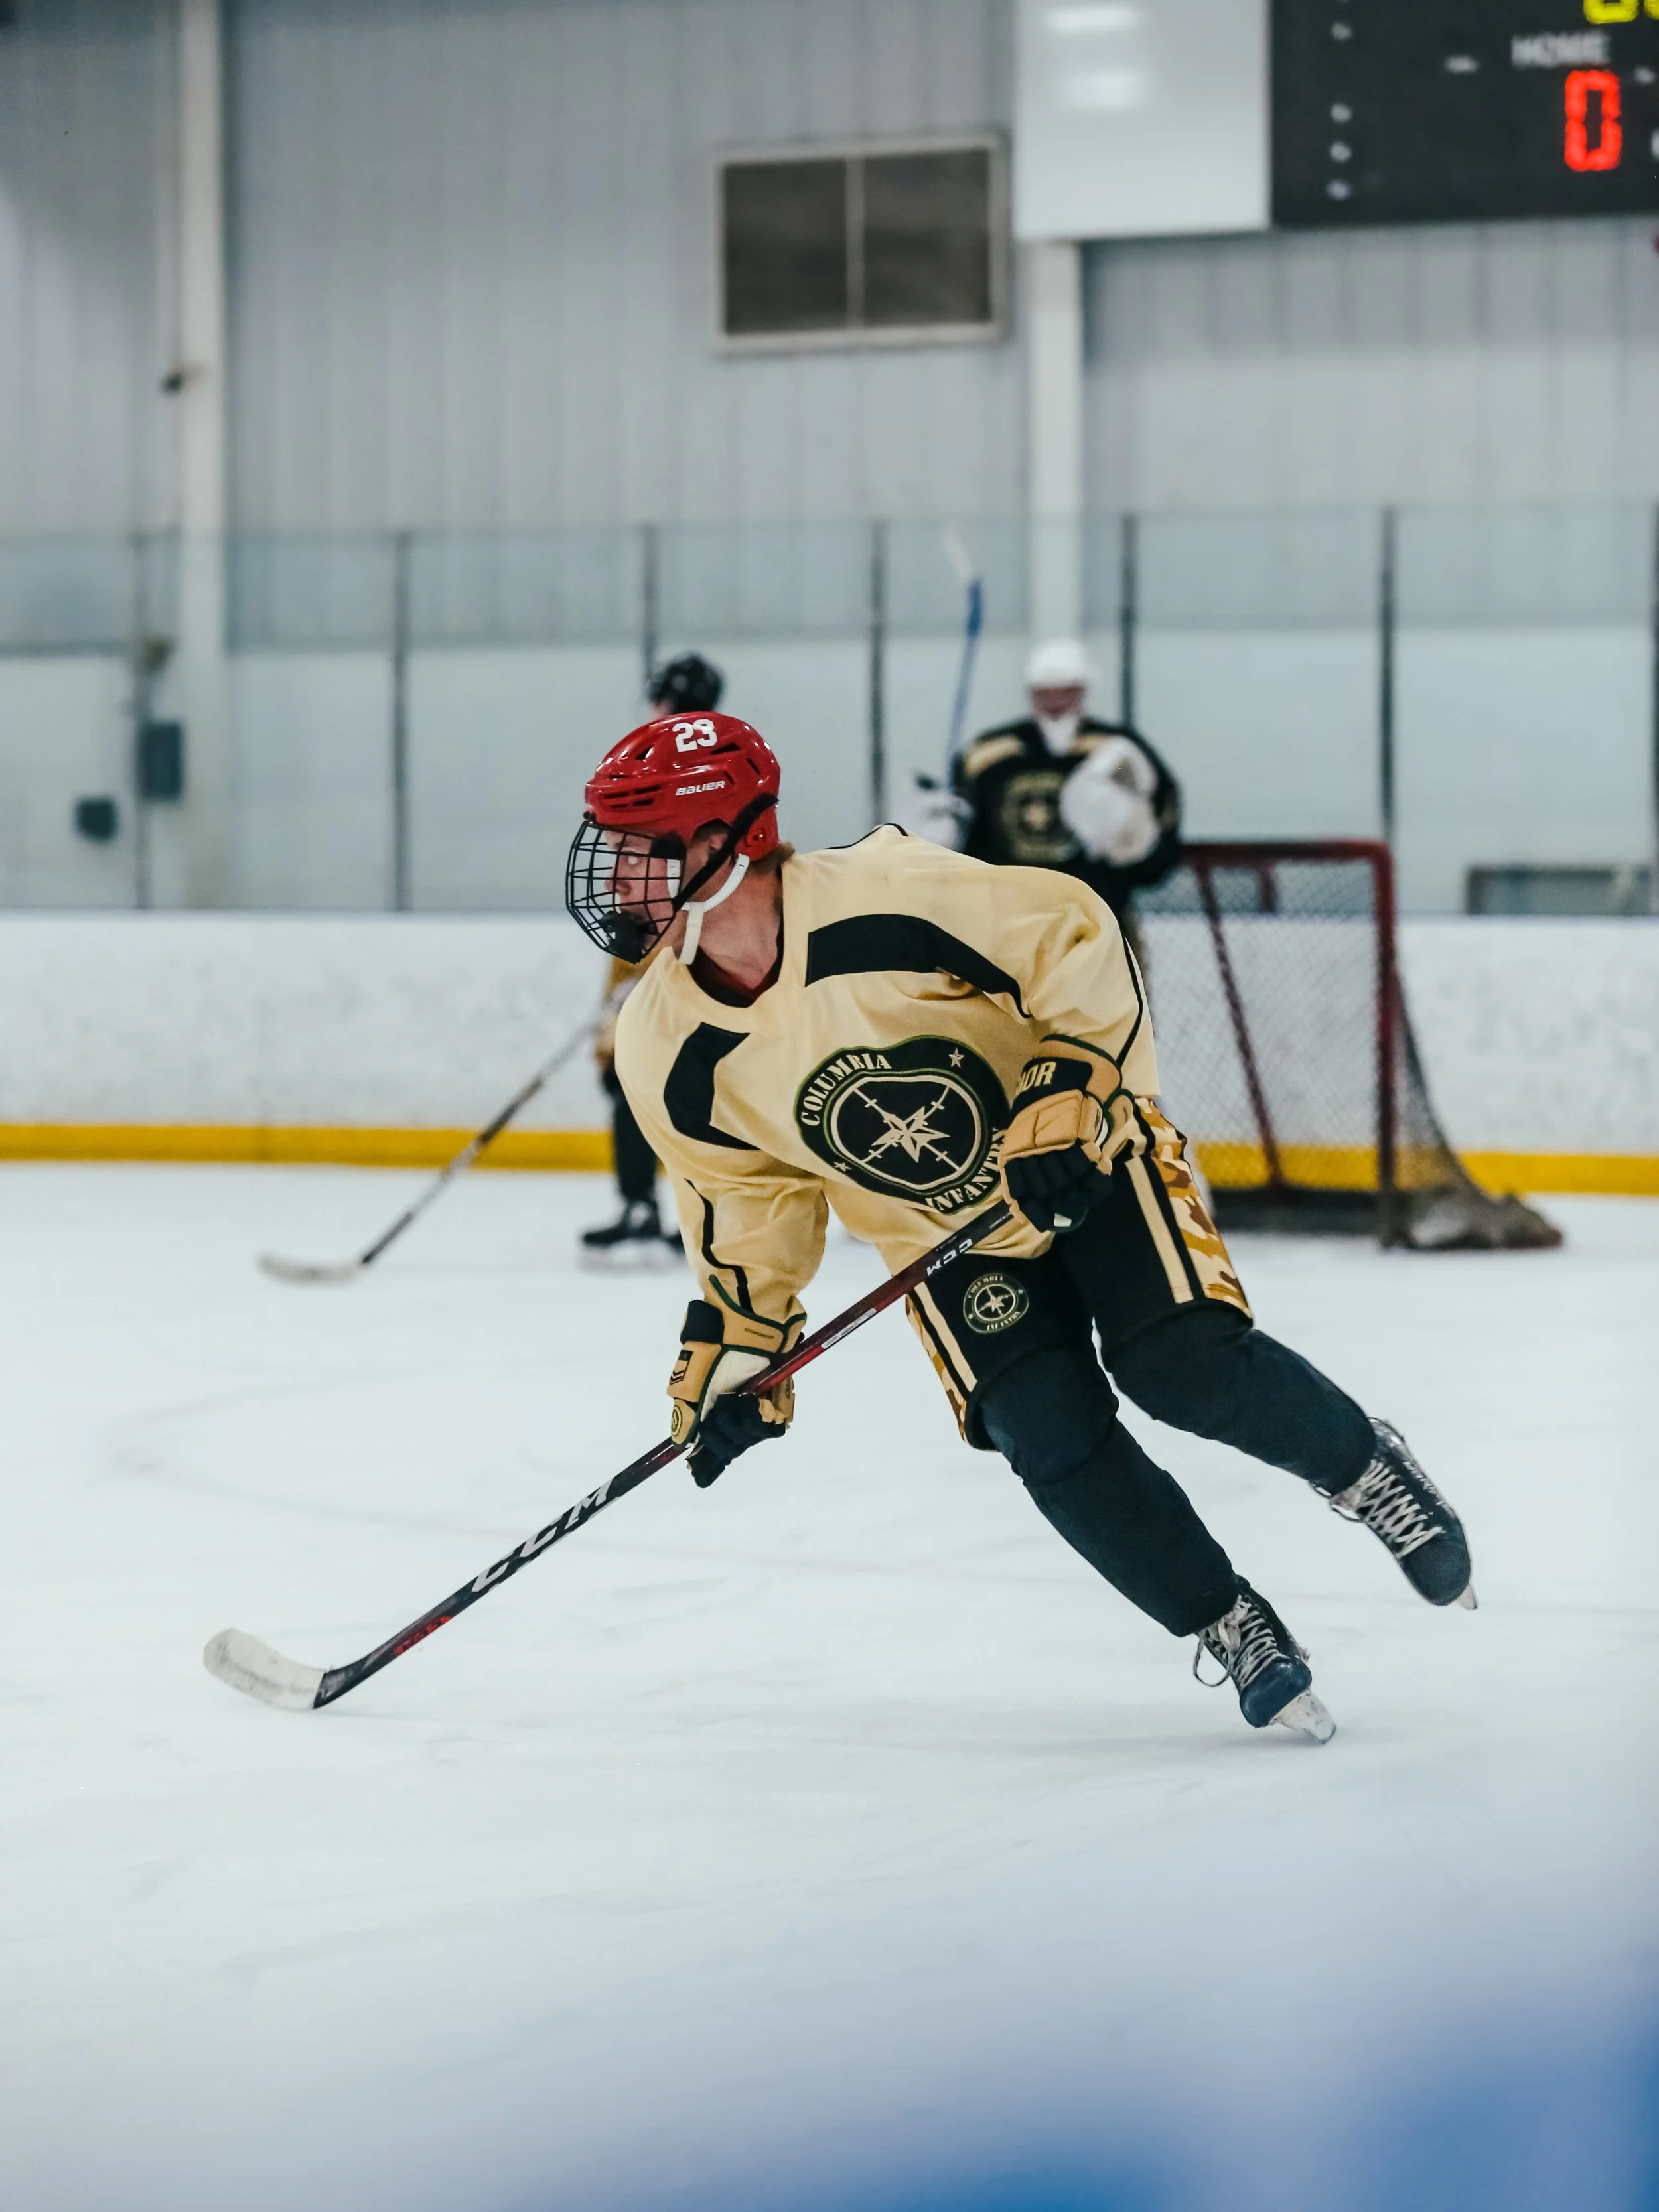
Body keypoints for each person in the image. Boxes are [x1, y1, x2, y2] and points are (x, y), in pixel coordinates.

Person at [564, 711, 1475, 1742]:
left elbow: (1074, 933)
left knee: (1178, 1363)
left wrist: (1068, 1087)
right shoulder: (661, 1044)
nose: (616, 877)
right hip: (942, 1238)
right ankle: (1226, 1618)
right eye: (613, 849)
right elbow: (745, 1201)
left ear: (734, 841)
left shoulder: (884, 891)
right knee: (1044, 1432)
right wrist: (743, 1348)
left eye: (641, 849)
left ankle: (1364, 1467)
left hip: (1087, 1155)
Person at [580, 652, 725, 1263]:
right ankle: (689, 1210)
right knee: (661, 1081)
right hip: (676, 945)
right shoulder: (717, 763)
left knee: (648, 1077)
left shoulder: (676, 769)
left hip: (684, 949)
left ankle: (662, 1207)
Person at [954, 638, 1181, 955]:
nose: (1055, 701)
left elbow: (1161, 807)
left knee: (1110, 986)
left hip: (1099, 915)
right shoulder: (987, 755)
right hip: (1010, 920)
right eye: (1045, 691)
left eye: (1066, 691)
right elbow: (962, 822)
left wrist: (1144, 856)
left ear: (1083, 690)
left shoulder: (1118, 751)